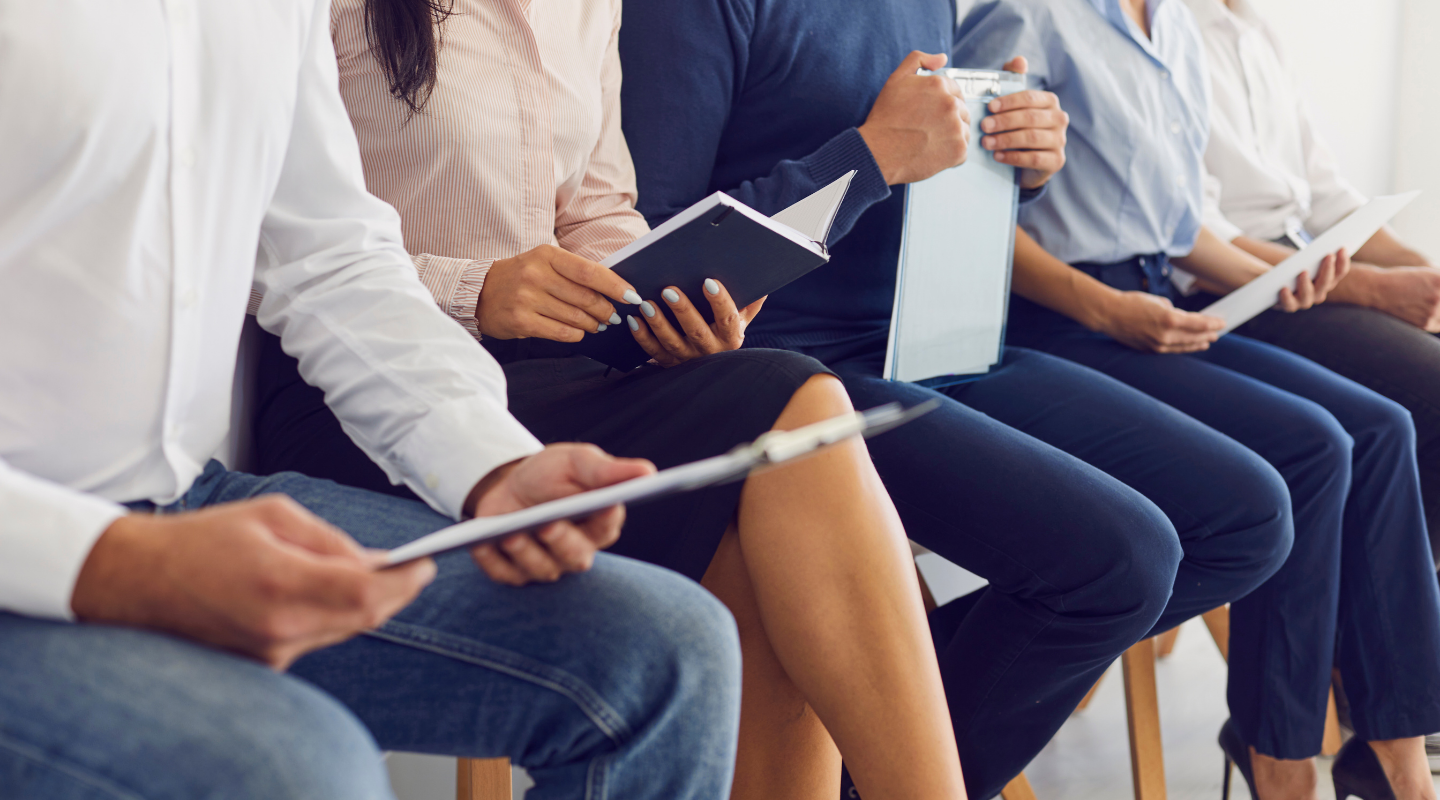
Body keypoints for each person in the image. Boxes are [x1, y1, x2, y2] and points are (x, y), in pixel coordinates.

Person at [0, 3, 746, 799]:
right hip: (35, 540)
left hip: (184, 504)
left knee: (668, 655)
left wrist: (491, 465)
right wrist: (118, 563)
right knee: (302, 770)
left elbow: (328, 259)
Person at [250, 0, 966, 798]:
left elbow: (595, 211)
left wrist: (660, 302)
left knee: (752, 525)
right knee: (794, 394)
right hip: (359, 390)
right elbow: (276, 237)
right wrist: (473, 289)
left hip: (557, 370)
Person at [614, 1, 1308, 797]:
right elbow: (656, 254)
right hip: (789, 369)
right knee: (1123, 558)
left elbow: (925, 173)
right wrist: (868, 158)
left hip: (942, 335)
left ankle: (862, 761)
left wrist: (1018, 166)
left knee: (1247, 516)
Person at [952, 1, 1440, 798]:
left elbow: (1181, 230)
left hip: (1158, 301)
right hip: (1066, 318)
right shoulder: (1030, 14)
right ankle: (1282, 766)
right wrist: (1103, 309)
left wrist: (1297, 282)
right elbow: (970, 213)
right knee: (1312, 447)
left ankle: (1399, 761)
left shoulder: (1173, 24)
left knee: (1378, 430)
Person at [1185, 0, 1440, 567]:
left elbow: (1326, 195)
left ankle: (1403, 620)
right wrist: (1374, 288)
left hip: (1304, 262)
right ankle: (1366, 640)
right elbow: (1196, 236)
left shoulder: (1255, 31)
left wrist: (1416, 268)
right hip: (1233, 286)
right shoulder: (1173, 32)